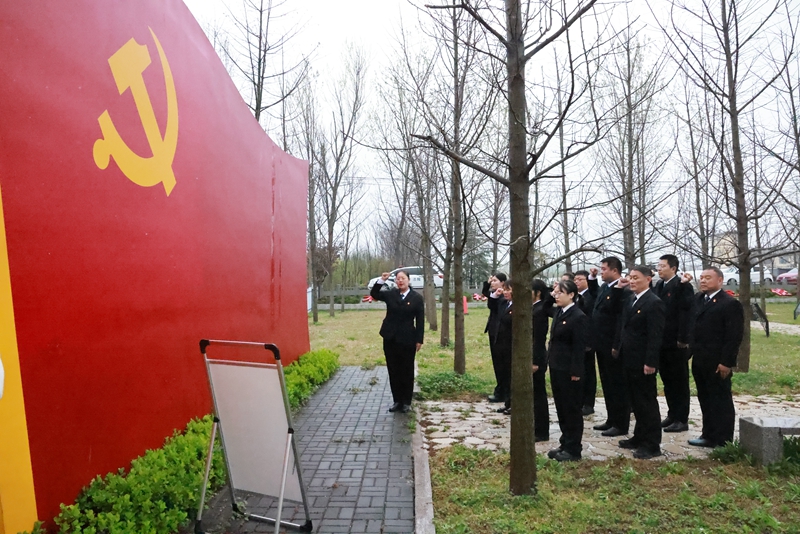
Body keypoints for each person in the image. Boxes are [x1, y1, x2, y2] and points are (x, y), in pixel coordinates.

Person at [687, 267, 744, 448]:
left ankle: (723, 439)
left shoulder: (729, 304)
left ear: (720, 280)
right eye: (701, 278)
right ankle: (708, 434)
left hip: (717, 361)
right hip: (700, 359)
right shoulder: (698, 300)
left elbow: (733, 336)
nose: (703, 281)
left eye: (708, 278)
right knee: (705, 398)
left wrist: (726, 362)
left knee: (720, 400)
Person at [614, 267, 666, 459]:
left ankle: (652, 444)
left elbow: (655, 336)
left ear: (648, 279)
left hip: (643, 361)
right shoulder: (631, 299)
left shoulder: (654, 303)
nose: (632, 281)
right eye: (630, 277)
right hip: (628, 358)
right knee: (635, 402)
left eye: (636, 278)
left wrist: (651, 362)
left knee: (646, 402)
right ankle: (639, 436)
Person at [370, 270, 425, 413]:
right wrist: (382, 280)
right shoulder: (391, 294)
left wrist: (419, 339)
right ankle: (397, 400)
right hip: (390, 337)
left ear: (409, 280)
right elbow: (375, 294)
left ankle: (406, 401)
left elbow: (420, 321)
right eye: (398, 279)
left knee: (406, 370)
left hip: (407, 339)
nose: (400, 281)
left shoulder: (417, 298)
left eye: (403, 278)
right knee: (393, 369)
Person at [588, 257, 631, 437]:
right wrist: (592, 279)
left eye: (604, 269)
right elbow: (596, 298)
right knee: (607, 383)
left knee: (617, 384)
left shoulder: (622, 290)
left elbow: (617, 315)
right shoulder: (606, 287)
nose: (601, 271)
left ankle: (620, 423)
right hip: (601, 343)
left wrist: (616, 344)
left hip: (613, 345)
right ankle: (611, 419)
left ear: (614, 270)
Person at [546, 280, 588, 462]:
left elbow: (579, 347)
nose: (556, 296)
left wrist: (576, 371)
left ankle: (574, 448)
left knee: (571, 410)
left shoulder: (578, 316)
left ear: (571, 295)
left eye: (560, 293)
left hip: (570, 369)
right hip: (557, 367)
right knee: (561, 408)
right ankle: (565, 443)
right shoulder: (559, 312)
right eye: (555, 293)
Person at [653, 255, 695, 433]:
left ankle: (681, 418)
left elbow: (687, 312)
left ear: (674, 268)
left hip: (676, 343)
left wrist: (684, 339)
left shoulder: (682, 285)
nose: (659, 269)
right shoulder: (659, 286)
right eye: (658, 266)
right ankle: (672, 414)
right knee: (668, 380)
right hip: (662, 341)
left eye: (663, 266)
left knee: (679, 381)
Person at [482, 272, 508, 402]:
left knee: (503, 365)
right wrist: (488, 283)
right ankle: (500, 390)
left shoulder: (505, 297)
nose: (492, 283)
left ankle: (503, 392)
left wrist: (497, 295)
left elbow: (494, 305)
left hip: (502, 334)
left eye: (495, 280)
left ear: (503, 282)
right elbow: (486, 293)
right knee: (497, 363)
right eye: (492, 281)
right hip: (493, 332)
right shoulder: (495, 294)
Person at [488, 280, 513, 413]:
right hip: (500, 344)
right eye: (505, 289)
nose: (506, 292)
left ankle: (513, 402)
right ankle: (507, 402)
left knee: (511, 376)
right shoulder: (504, 302)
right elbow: (492, 306)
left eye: (508, 289)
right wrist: (495, 295)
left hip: (511, 345)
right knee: (503, 373)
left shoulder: (519, 306)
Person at [574, 270, 597, 415]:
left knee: (588, 372)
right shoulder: (575, 296)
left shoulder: (591, 295)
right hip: (576, 339)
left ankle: (589, 402)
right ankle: (580, 400)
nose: (576, 282)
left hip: (588, 338)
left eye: (580, 279)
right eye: (575, 279)